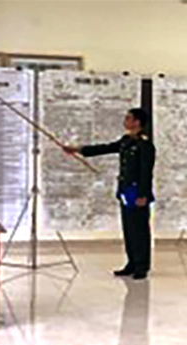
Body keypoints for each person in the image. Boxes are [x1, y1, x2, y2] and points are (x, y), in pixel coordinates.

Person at [63, 108, 155, 280]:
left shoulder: (145, 145)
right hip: (125, 191)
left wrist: (143, 195)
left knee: (140, 230)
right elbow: (105, 148)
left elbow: (146, 172)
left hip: (137, 192)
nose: (125, 121)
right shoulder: (126, 141)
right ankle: (132, 263)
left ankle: (142, 265)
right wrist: (78, 149)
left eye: (129, 118)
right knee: (129, 229)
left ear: (137, 122)